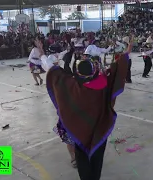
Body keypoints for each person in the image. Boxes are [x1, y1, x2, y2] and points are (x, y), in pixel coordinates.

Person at [36, 36, 132, 180]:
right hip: (100, 128)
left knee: (82, 157)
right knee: (97, 157)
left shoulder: (71, 85)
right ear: (95, 71)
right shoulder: (103, 83)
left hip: (79, 129)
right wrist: (127, 52)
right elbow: (116, 68)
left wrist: (42, 53)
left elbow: (52, 69)